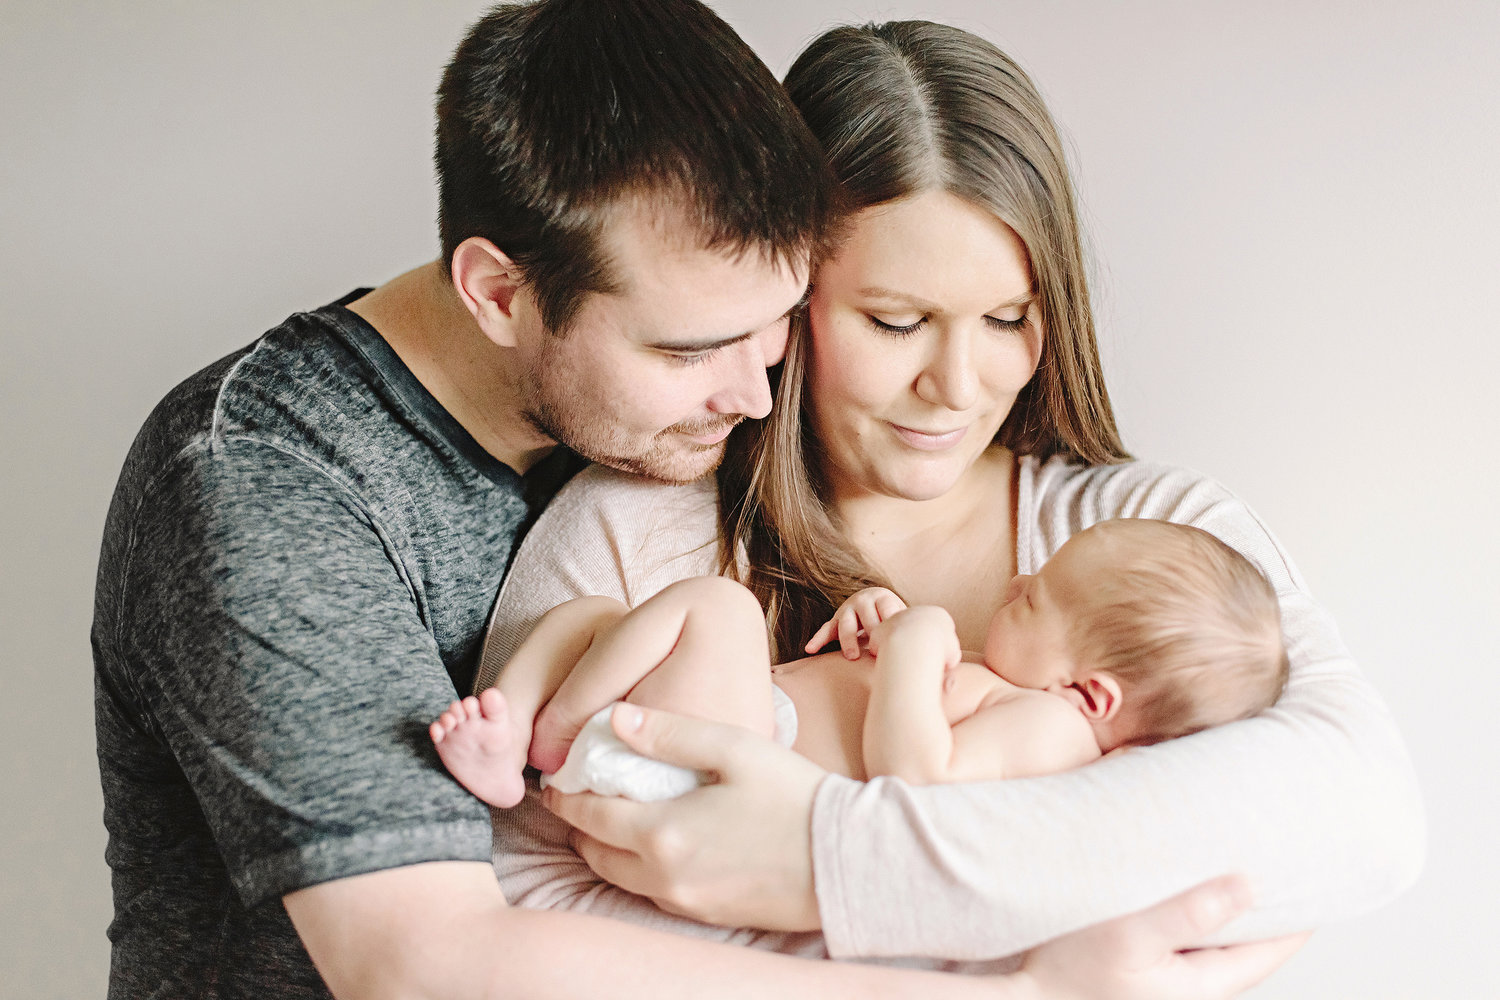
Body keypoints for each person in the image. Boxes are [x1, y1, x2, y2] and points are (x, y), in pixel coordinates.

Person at [89, 2, 1291, 998]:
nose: (756, 395)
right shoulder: (266, 480)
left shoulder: (648, 433)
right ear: (500, 293)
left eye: (775, 331)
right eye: (691, 350)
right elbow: (426, 964)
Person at [479, 16, 1424, 968]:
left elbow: (1360, 819)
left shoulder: (1156, 535)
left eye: (1009, 318)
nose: (960, 384)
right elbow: (513, 909)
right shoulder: (634, 530)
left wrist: (819, 856)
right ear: (783, 301)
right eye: (896, 322)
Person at [433, 518, 1288, 812]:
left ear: (1092, 692)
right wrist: (875, 632)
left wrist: (919, 647)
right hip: (714, 733)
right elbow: (887, 706)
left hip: (722, 782)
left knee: (719, 607)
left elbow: (917, 779)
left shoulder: (1054, 731)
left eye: (1037, 599)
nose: (1018, 581)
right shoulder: (1013, 680)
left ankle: (556, 735)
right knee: (596, 614)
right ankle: (508, 737)